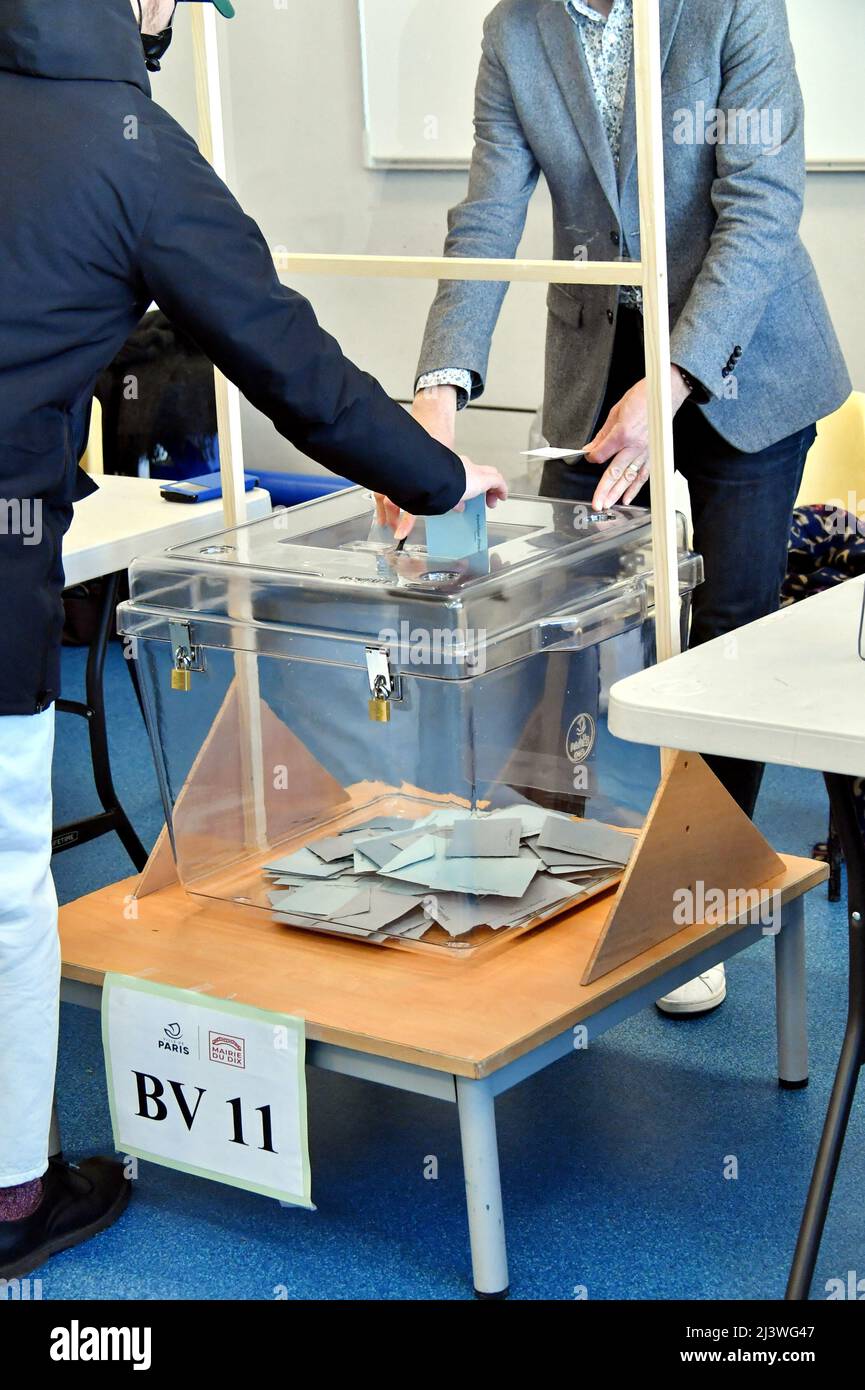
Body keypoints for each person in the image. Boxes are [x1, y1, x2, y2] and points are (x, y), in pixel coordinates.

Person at [0, 0, 507, 1278]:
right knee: (7, 882)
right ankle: (11, 1196)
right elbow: (290, 362)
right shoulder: (128, 142)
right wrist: (436, 479)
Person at [395, 0, 852, 1015]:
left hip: (744, 362)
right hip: (595, 369)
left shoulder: (734, 7)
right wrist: (435, 394)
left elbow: (763, 205)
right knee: (554, 621)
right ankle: (543, 872)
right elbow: (486, 217)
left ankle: (693, 903)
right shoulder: (516, 30)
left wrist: (676, 374)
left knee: (727, 635)